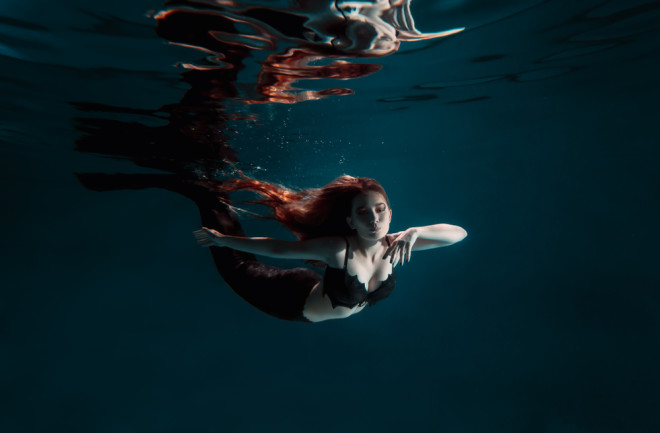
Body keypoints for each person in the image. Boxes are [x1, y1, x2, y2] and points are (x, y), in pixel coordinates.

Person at [193, 174, 467, 323]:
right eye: (363, 212)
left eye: (380, 210)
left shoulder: (397, 245)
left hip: (314, 288)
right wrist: (223, 241)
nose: (374, 219)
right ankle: (203, 189)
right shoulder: (338, 248)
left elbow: (458, 234)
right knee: (239, 265)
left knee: (242, 261)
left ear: (390, 215)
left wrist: (415, 231)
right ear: (350, 221)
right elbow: (279, 249)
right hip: (291, 301)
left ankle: (210, 189)